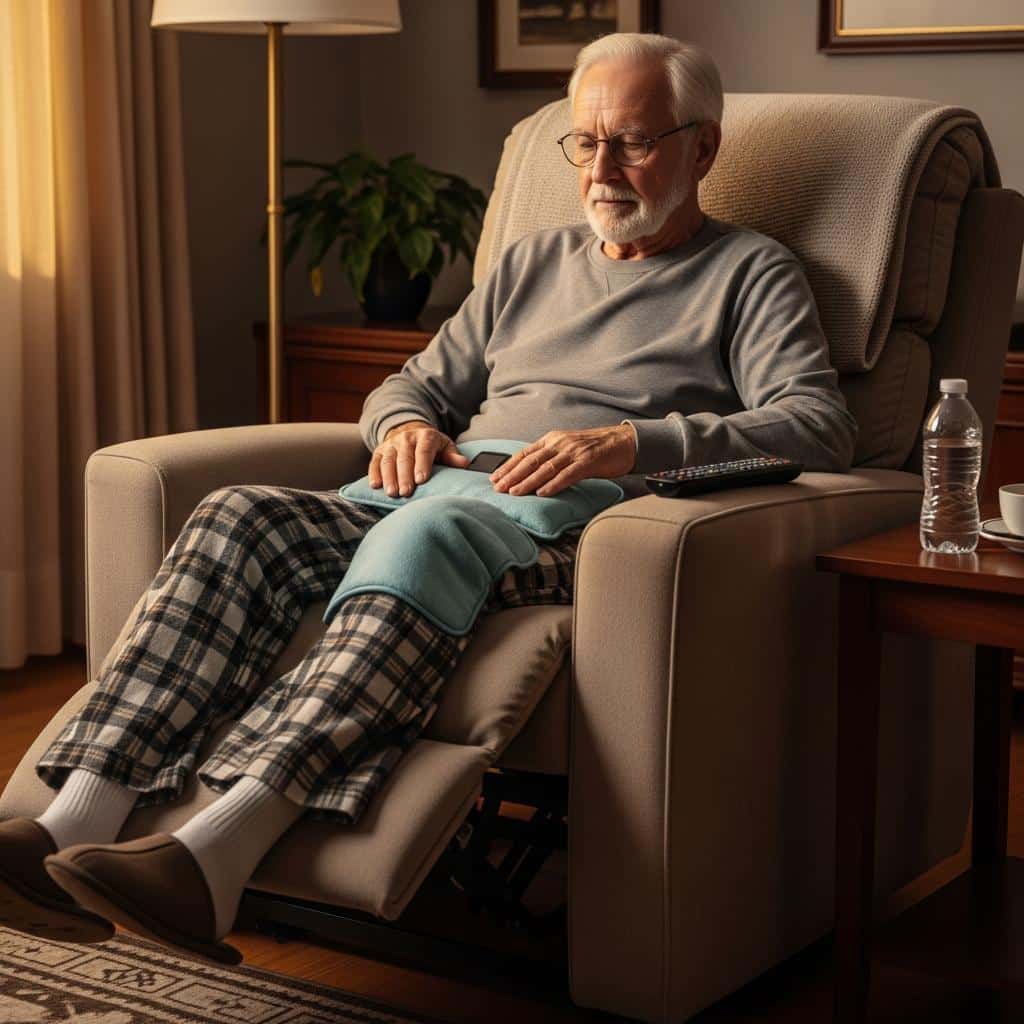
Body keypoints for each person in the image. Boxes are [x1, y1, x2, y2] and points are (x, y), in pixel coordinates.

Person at [0, 32, 857, 964]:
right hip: (422, 489)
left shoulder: (750, 273)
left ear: (703, 148)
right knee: (235, 516)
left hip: (570, 519)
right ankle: (63, 825)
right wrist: (401, 427)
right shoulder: (532, 264)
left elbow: (815, 425)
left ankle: (211, 857)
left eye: (636, 143)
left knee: (431, 533)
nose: (603, 167)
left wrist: (629, 441)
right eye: (587, 141)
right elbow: (410, 384)